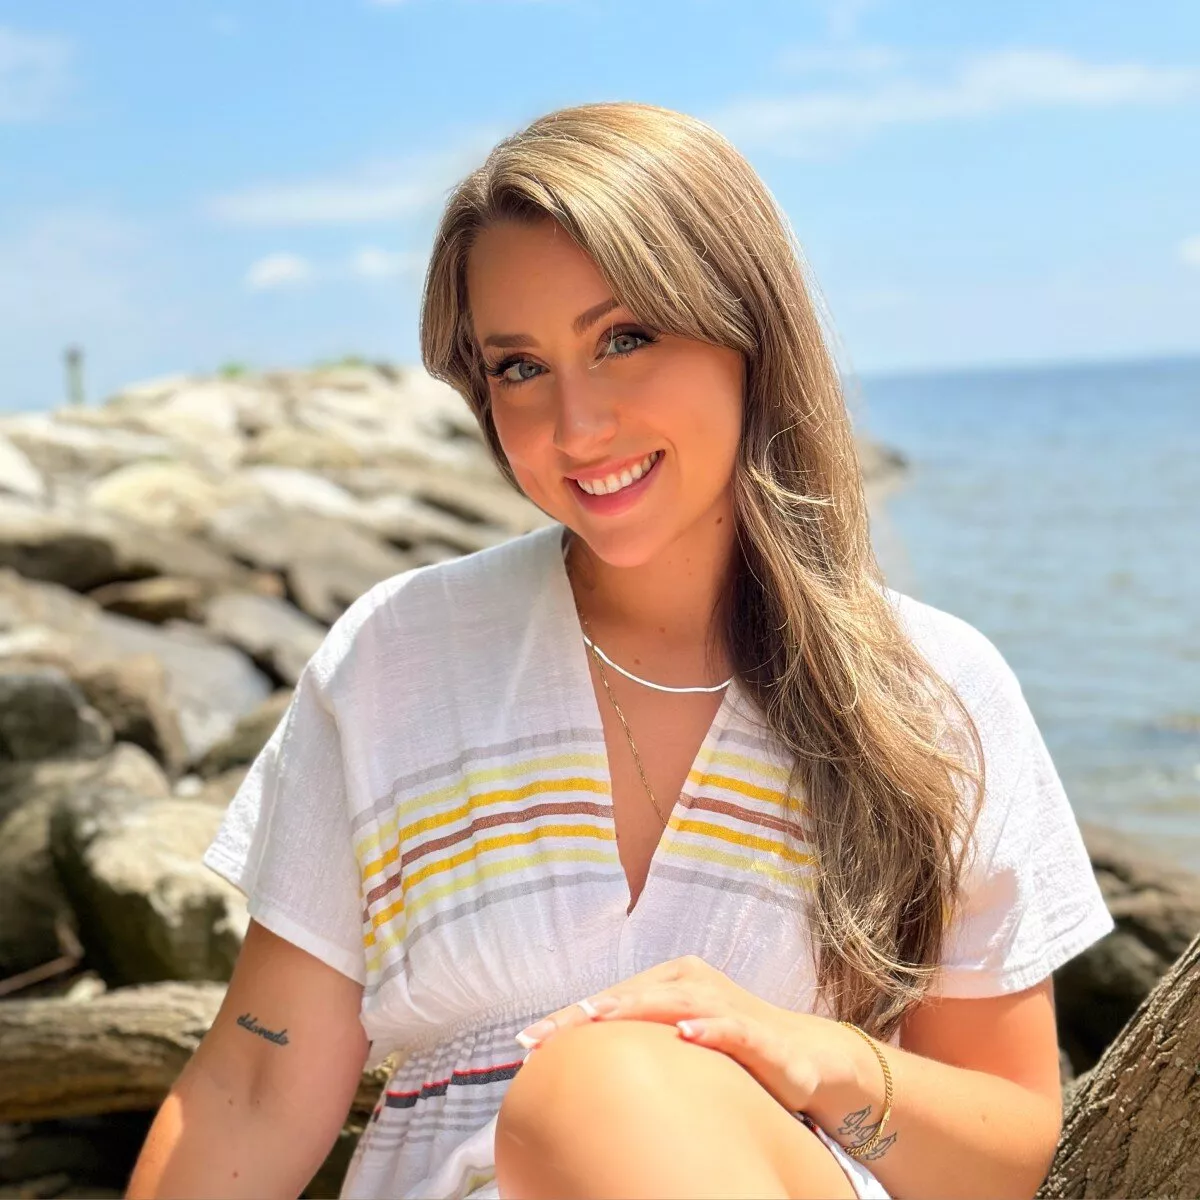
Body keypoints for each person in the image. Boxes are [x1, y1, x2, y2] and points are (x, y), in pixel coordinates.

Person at [125, 101, 1114, 1200]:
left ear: (749, 332)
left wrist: (811, 1054)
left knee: (604, 1087)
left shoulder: (930, 693)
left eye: (625, 340)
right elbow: (256, 1085)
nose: (576, 426)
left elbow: (1007, 1153)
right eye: (518, 367)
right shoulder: (398, 657)